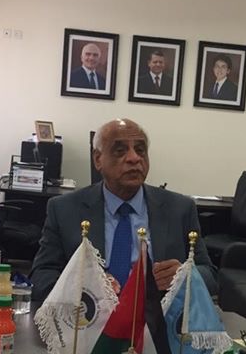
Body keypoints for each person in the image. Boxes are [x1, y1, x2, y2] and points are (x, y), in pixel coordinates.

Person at [30, 118, 216, 300]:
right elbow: (41, 275)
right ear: (98, 159)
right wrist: (82, 287)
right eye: (120, 151)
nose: (134, 158)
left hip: (158, 316)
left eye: (140, 150)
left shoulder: (180, 209)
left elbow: (210, 276)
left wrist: (186, 276)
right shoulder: (64, 209)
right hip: (90, 316)